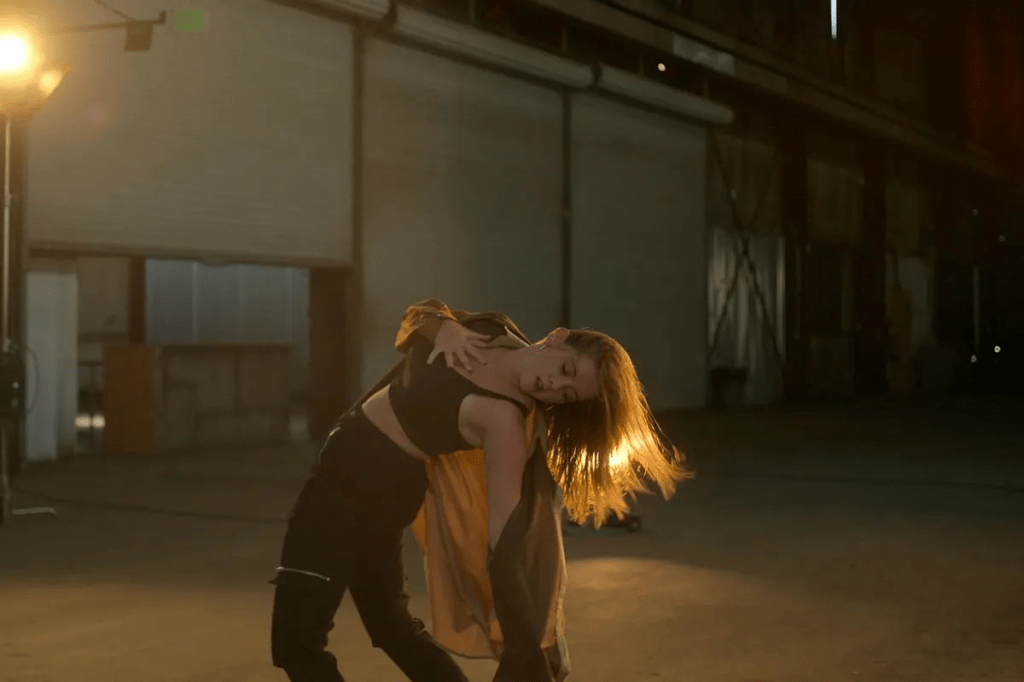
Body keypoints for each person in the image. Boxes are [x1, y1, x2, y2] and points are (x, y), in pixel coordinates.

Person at [270, 299, 690, 682]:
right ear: (558, 338)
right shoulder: (490, 329)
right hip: (350, 475)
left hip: (359, 491)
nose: (551, 386)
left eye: (565, 394)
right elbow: (417, 317)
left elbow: (504, 542)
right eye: (565, 371)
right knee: (391, 627)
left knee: (297, 643)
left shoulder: (505, 424)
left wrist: (528, 643)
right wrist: (443, 327)